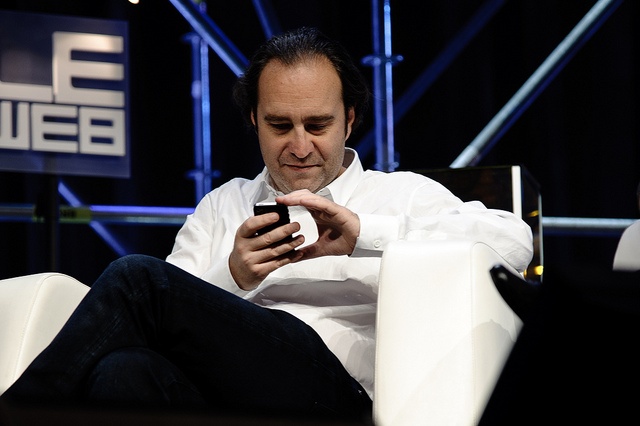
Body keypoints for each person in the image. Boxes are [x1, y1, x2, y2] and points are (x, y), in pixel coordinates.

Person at [1, 27, 533, 420]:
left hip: (332, 395)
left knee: (138, 280)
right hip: (218, 394)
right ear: (254, 119)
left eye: (317, 125)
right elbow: (163, 320)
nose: (299, 147)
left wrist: (366, 233)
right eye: (280, 125)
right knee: (122, 372)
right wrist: (233, 276)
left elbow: (513, 241)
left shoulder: (397, 194)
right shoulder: (222, 205)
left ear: (349, 120)